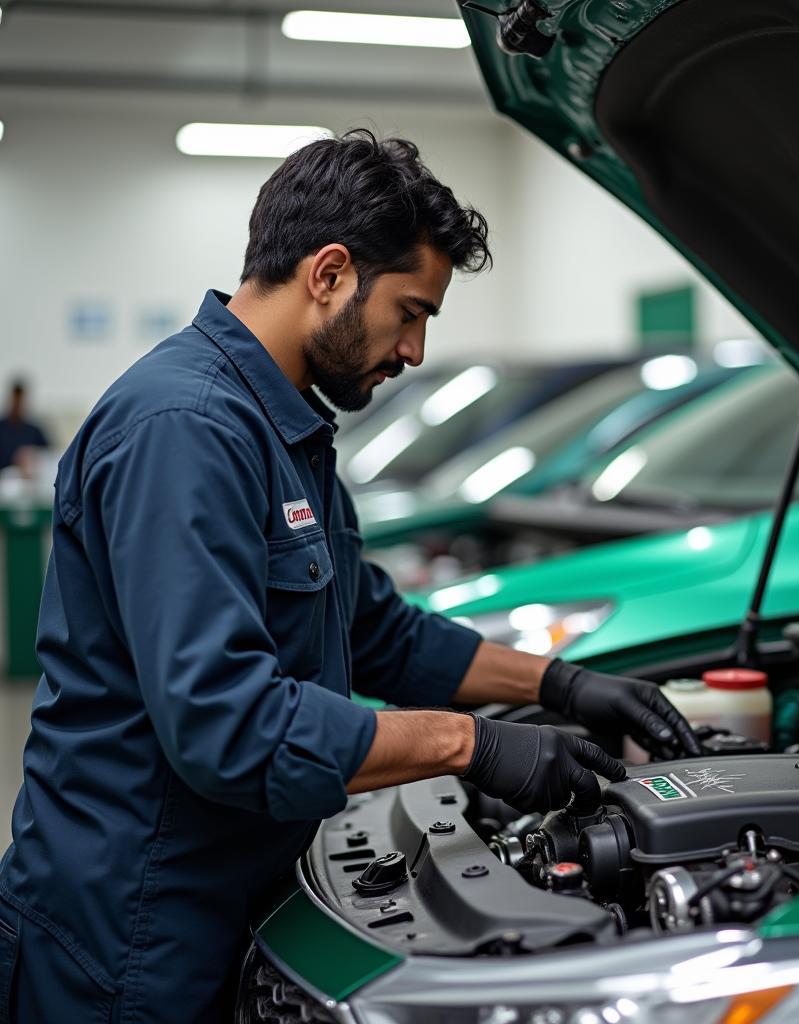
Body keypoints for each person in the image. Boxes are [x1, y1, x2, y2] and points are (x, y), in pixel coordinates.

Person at [0, 130, 699, 1023]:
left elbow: (373, 629)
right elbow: (231, 725)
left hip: (221, 905)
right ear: (329, 274)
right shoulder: (184, 426)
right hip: (127, 939)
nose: (412, 351)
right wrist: (472, 746)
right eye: (410, 312)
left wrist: (562, 685)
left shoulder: (283, 426)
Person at [0, 379, 49, 473]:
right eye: (15, 400)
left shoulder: (34, 431)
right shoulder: (1, 429)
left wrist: (33, 454)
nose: (18, 405)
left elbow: (49, 455)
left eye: (20, 401)